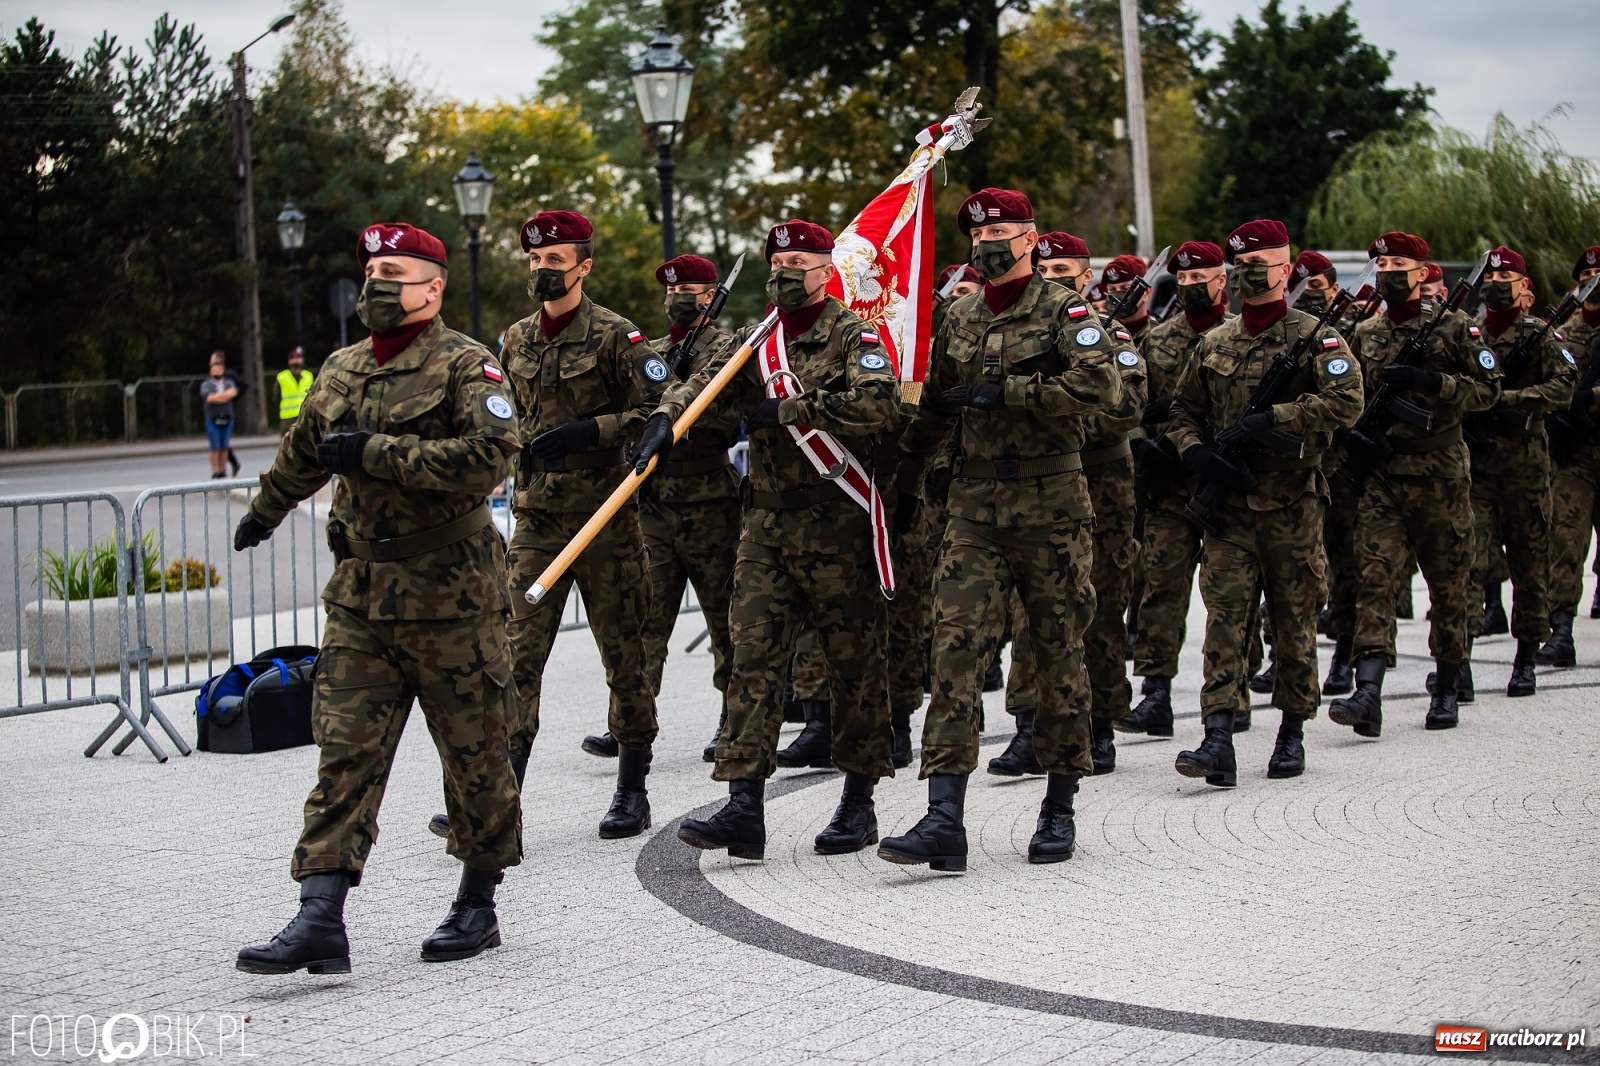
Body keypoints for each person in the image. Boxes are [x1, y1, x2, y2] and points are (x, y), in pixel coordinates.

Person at [233, 221, 522, 973]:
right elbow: (302, 452)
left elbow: (489, 458)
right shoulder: (340, 368)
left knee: (476, 758)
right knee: (343, 756)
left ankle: (476, 901)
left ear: (433, 287)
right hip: (362, 600)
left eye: (396, 271)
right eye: (370, 271)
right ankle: (320, 915)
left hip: (453, 600)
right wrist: (263, 512)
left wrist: (376, 453)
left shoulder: (469, 366)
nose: (378, 285)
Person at [635, 218, 901, 860]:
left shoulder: (852, 334)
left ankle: (859, 800)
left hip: (835, 519)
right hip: (765, 527)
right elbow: (706, 387)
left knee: (852, 664)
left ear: (822, 271)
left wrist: (790, 409)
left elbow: (879, 407)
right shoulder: (758, 339)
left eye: (797, 266)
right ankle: (743, 805)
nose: (783, 276)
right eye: (775, 266)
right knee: (752, 660)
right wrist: (666, 419)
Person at [878, 188, 1122, 869]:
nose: (991, 243)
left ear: (1030, 237)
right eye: (981, 235)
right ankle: (943, 818)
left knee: (1056, 653)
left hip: (1051, 505)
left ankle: (1060, 804)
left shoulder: (1064, 310)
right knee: (953, 655)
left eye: (1006, 232)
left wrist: (1013, 392)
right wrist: (901, 475)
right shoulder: (955, 315)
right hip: (974, 508)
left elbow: (1105, 390)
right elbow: (933, 407)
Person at [1166, 219, 1362, 786]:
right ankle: (1217, 737)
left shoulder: (1315, 337)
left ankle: (1292, 729)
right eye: (1242, 265)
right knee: (1224, 623)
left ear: (1285, 269)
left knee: (1292, 624)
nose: (1251, 274)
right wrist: (1197, 453)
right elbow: (1183, 410)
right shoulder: (1216, 342)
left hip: (1291, 508)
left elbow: (1347, 401)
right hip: (1228, 513)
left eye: (1263, 264)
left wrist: (1275, 417)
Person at [497, 210, 667, 839]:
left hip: (604, 520)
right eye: (536, 261)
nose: (544, 270)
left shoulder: (617, 337)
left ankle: (632, 788)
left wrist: (591, 431)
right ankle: (500, 798)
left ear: (584, 266)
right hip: (538, 522)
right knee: (516, 658)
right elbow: (504, 416)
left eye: (556, 261)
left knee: (624, 657)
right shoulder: (514, 340)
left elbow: (657, 410)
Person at [1328, 231, 1499, 736]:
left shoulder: (1457, 328)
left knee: (1449, 585)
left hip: (1440, 474)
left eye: (1401, 263)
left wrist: (1433, 384)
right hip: (1383, 477)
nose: (1390, 272)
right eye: (1383, 264)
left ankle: (1446, 685)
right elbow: (1347, 392)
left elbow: (1488, 390)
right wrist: (1356, 435)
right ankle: (1368, 692)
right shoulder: (1367, 331)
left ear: (1423, 272)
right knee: (1374, 580)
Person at [992, 230, 1145, 776]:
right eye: (1046, 271)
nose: (1052, 280)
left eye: (1064, 273)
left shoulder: (1108, 334)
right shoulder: (1012, 330)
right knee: (1026, 610)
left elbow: (1125, 406)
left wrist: (1050, 415)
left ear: (1086, 277)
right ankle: (1028, 725)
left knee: (1097, 604)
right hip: (1031, 486)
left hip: (1098, 481)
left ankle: (1100, 722)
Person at [1120, 240, 1234, 740]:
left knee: (1229, 596)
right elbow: (1130, 405)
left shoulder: (1241, 337)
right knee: (1159, 589)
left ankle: (1232, 694)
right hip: (1169, 489)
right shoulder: (1159, 341)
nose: (1190, 287)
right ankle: (1156, 694)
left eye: (1200, 278)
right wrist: (1142, 445)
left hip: (1227, 487)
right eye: (1183, 280)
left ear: (1221, 280)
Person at [641, 254, 743, 762]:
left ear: (709, 297)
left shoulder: (725, 348)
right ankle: (633, 721)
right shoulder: (655, 352)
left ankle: (734, 717)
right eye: (671, 291)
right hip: (656, 502)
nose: (677, 299)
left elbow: (721, 412)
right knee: (647, 619)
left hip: (708, 497)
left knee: (725, 618)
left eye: (689, 292)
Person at [1463, 244, 1575, 696]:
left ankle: (1527, 655)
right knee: (1468, 562)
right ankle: (1459, 664)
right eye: (1488, 282)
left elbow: (1563, 388)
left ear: (1524, 287)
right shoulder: (1467, 333)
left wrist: (1506, 402)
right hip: (1477, 467)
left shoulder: (1542, 334)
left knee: (1530, 563)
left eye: (1503, 281)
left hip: (1526, 466)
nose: (1494, 288)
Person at [1289, 251, 1357, 695]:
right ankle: (1283, 656)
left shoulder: (1347, 335)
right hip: (1299, 470)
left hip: (1348, 468)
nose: (1309, 297)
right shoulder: (1289, 336)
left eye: (1315, 287)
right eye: (1300, 288)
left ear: (1333, 288)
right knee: (1298, 572)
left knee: (1348, 564)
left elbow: (1352, 398)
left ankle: (1346, 654)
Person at [1540, 246, 1600, 667]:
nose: (1594, 278)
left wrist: (1589, 398)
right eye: (1589, 272)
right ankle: (1560, 630)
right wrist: (1554, 415)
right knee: (1565, 539)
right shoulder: (1561, 333)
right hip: (1573, 453)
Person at [200, 351, 240, 478]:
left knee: (224, 447)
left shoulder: (228, 382)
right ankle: (216, 471)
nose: (216, 370)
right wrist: (224, 396)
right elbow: (210, 398)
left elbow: (233, 393)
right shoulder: (206, 384)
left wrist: (220, 397)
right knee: (215, 447)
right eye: (213, 368)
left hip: (227, 419)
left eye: (218, 367)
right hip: (212, 419)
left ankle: (223, 471)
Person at [1101, 254, 1153, 346]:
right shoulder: (1101, 334)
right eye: (1112, 290)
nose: (1117, 295)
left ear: (1147, 293)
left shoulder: (1163, 334)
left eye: (1126, 288)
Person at [277, 346, 316, 424]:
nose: (296, 367)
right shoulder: (282, 377)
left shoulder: (308, 376)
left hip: (304, 416)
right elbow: (276, 397)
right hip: (288, 418)